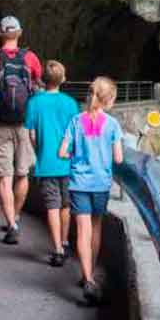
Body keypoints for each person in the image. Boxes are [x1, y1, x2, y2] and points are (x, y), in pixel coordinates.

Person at [0, 16, 42, 244]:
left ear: (0, 33)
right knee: (22, 173)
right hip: (25, 122)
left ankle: (11, 224)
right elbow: (39, 83)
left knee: (5, 176)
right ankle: (16, 216)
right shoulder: (31, 58)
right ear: (20, 33)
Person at [59, 76, 123, 303]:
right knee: (95, 229)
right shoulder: (112, 125)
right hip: (100, 184)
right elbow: (118, 157)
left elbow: (63, 152)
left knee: (82, 231)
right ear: (109, 100)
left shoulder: (77, 120)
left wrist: (78, 153)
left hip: (79, 183)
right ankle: (91, 274)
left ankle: (87, 278)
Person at [25, 60, 80, 267]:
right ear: (63, 79)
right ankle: (65, 241)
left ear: (42, 80)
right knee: (65, 205)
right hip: (67, 163)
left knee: (52, 207)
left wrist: (39, 150)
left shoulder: (34, 102)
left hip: (46, 164)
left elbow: (31, 133)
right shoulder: (70, 103)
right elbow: (76, 134)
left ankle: (57, 249)